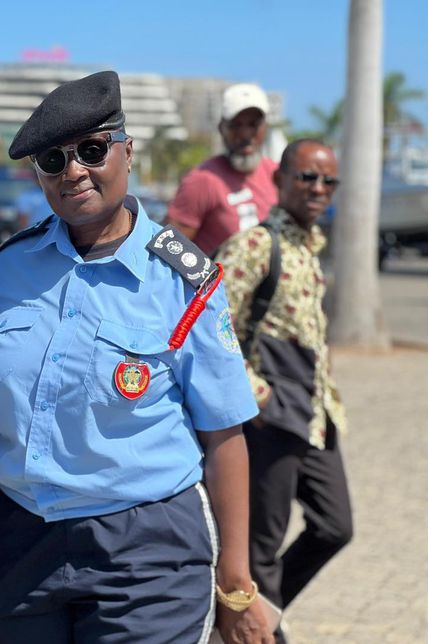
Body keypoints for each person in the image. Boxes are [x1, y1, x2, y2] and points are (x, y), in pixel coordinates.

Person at [0, 71, 272, 643]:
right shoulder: (12, 267)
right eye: (53, 160)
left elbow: (225, 434)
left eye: (92, 150)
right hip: (21, 538)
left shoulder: (185, 281)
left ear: (127, 152)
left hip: (145, 549)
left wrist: (235, 576)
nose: (74, 170)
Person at [217, 139, 352, 643]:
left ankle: (259, 617)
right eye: (307, 177)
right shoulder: (255, 245)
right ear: (279, 180)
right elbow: (210, 324)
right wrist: (255, 394)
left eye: (328, 181)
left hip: (316, 413)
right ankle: (262, 634)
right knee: (262, 545)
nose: (318, 188)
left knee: (336, 526)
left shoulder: (311, 248)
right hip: (270, 416)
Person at [166, 83, 277, 255]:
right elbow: (169, 250)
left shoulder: (276, 174)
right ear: (221, 128)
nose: (245, 134)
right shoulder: (202, 180)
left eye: (253, 125)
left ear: (265, 128)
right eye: (236, 125)